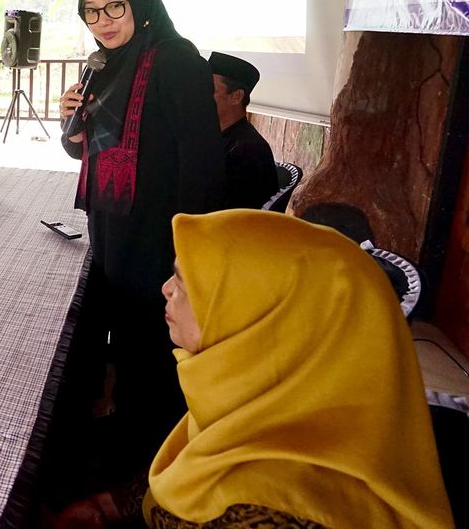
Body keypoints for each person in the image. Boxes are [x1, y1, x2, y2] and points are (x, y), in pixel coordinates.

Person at [144, 210, 454, 529]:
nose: (166, 288)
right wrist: (112, 503)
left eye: (185, 282)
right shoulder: (263, 395)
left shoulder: (272, 513)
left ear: (261, 315)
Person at [59, 0, 224, 472]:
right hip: (111, 222)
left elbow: (202, 163)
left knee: (152, 345)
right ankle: (126, 432)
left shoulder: (175, 60)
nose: (104, 21)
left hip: (157, 232)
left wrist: (186, 253)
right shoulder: (104, 65)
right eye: (92, 12)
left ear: (142, 4)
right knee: (122, 331)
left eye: (115, 6)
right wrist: (72, 121)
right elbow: (83, 150)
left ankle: (152, 460)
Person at [208, 52, 278, 210]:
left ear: (236, 97)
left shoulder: (249, 151)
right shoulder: (211, 136)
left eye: (209, 89)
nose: (199, 96)